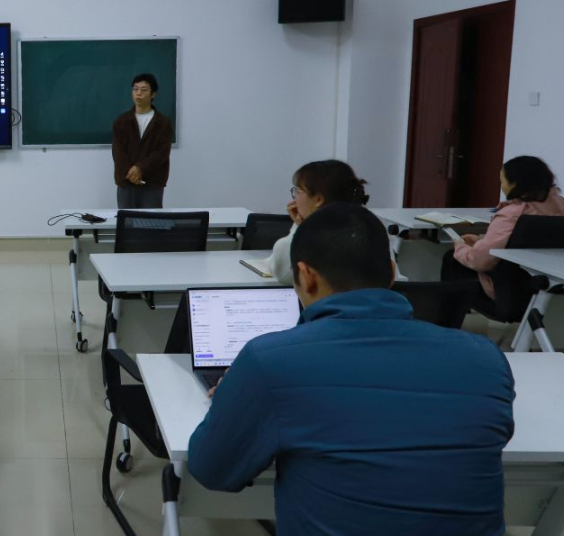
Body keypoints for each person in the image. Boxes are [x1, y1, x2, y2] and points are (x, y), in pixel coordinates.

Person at [188, 204, 515, 536]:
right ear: (391, 273)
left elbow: (211, 469)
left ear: (305, 276)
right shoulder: (486, 359)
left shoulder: (269, 362)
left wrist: (233, 397)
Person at [443, 155, 564, 299]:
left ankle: (449, 311)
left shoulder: (511, 215)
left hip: (509, 294)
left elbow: (480, 261)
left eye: (502, 181)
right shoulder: (561, 205)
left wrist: (460, 247)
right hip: (553, 291)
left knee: (452, 259)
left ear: (515, 184)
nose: (501, 186)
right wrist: (481, 240)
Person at [265, 159, 402, 284]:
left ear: (318, 200)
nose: (294, 197)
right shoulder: (373, 228)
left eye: (298, 190)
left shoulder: (289, 245)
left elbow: (283, 275)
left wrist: (300, 228)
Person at [111, 73, 173, 209]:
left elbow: (162, 152)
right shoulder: (121, 122)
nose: (138, 93)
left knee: (151, 220)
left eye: (144, 90)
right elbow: (118, 152)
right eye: (135, 89)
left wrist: (140, 168)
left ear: (153, 94)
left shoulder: (163, 123)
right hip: (126, 181)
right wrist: (131, 173)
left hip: (152, 182)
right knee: (127, 220)